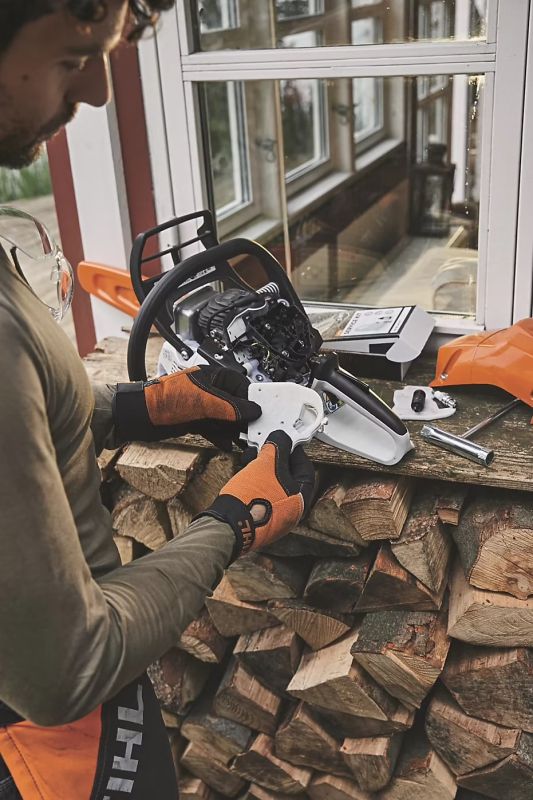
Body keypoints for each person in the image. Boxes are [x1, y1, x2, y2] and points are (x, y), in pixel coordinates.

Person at [0, 3, 315, 798]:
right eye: (73, 57)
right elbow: (64, 671)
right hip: (49, 748)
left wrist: (141, 407)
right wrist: (231, 522)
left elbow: (23, 417)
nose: (98, 92)